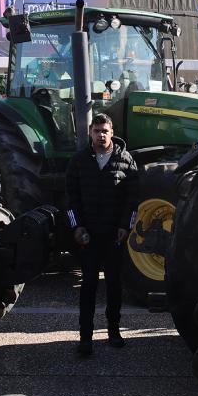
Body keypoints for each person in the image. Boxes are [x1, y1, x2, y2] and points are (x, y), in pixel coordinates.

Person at [65, 113, 139, 357]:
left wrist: (125, 227)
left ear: (112, 131)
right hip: (88, 237)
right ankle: (85, 338)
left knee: (114, 285)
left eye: (105, 131)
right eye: (97, 131)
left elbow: (132, 199)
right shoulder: (79, 161)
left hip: (113, 237)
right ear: (90, 132)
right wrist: (77, 227)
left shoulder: (126, 161)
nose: (101, 135)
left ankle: (114, 332)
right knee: (87, 286)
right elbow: (71, 199)